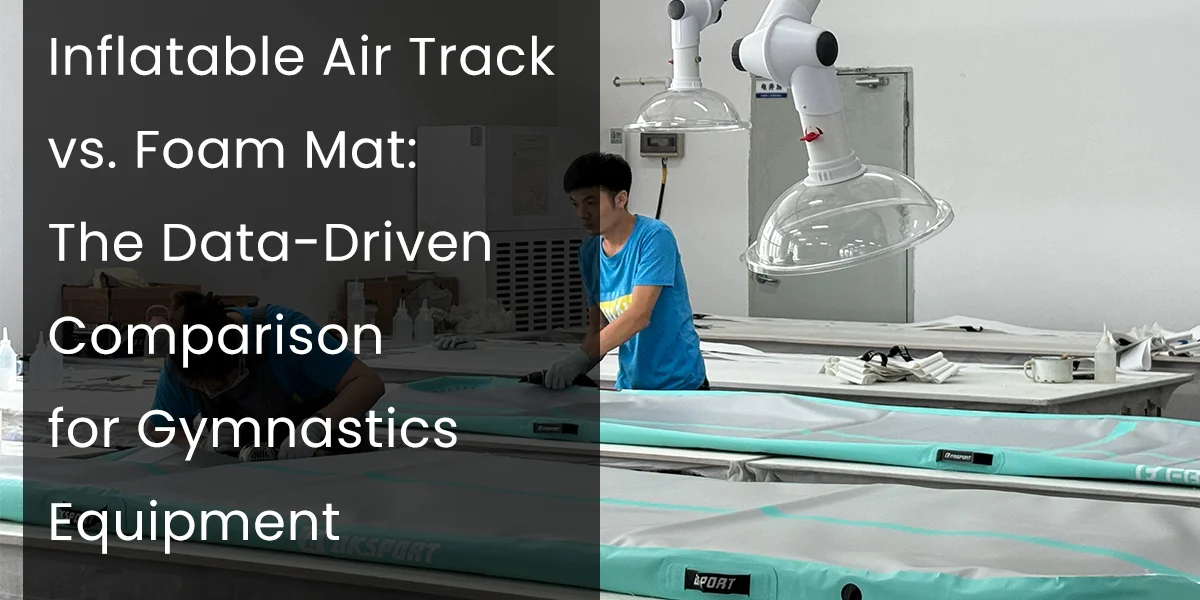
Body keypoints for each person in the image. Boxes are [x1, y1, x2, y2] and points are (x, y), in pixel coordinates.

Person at [143, 291, 385, 461]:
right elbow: (157, 428)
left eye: (221, 386)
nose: (212, 395)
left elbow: (368, 383)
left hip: (331, 462)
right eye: (204, 389)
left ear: (238, 352)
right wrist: (199, 444)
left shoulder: (287, 333)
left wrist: (317, 426)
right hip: (247, 481)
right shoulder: (182, 359)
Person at [544, 152, 708, 391]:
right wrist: (571, 369)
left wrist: (577, 359)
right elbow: (598, 332)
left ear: (620, 199)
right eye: (575, 204)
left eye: (591, 203)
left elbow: (638, 316)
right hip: (631, 386)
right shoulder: (589, 251)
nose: (582, 214)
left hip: (679, 386)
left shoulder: (654, 237)